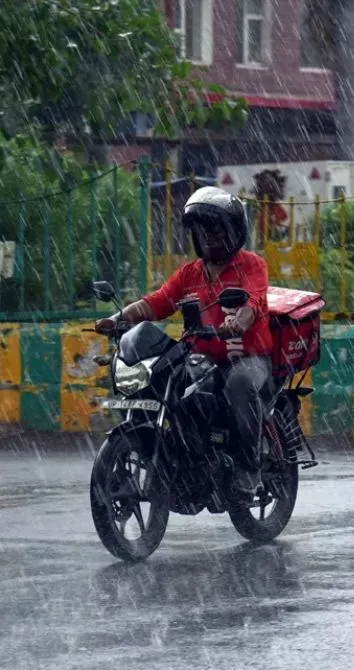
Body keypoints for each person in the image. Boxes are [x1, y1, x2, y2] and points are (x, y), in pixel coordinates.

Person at [96, 186, 273, 501]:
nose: (207, 236)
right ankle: (187, 458)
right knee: (173, 386)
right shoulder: (191, 273)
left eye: (214, 228)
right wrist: (117, 318)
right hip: (202, 358)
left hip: (247, 357)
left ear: (234, 230)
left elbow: (254, 301)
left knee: (239, 384)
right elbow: (157, 302)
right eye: (201, 229)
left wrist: (236, 323)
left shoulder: (251, 265)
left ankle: (249, 468)